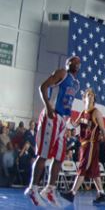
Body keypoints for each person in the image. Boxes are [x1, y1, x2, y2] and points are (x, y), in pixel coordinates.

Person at [24, 56, 81, 207]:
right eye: (73, 61)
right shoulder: (62, 73)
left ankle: (49, 189)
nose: (76, 63)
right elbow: (42, 86)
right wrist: (48, 107)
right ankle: (32, 188)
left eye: (78, 62)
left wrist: (69, 121)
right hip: (52, 114)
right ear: (68, 64)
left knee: (59, 156)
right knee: (43, 154)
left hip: (62, 120)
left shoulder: (76, 84)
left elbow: (68, 102)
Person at [60, 88, 105, 204]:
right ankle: (101, 193)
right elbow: (75, 125)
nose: (90, 96)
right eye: (88, 94)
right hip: (84, 145)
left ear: (94, 99)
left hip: (91, 144)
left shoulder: (96, 112)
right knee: (94, 170)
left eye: (92, 95)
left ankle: (72, 193)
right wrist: (70, 122)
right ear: (84, 98)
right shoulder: (83, 113)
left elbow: (103, 130)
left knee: (82, 167)